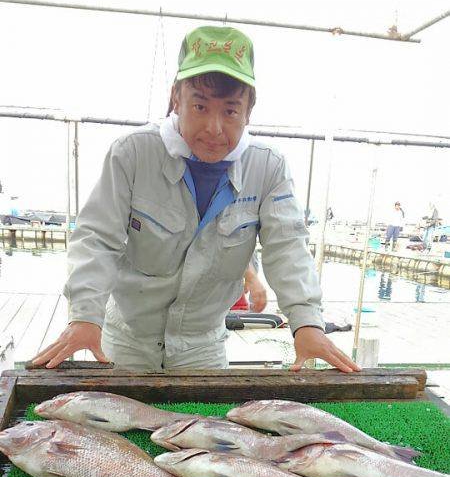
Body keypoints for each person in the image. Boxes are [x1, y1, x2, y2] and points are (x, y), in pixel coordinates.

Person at [32, 25, 359, 374]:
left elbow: (287, 247)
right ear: (177, 98)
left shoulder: (268, 168)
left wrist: (307, 323)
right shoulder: (132, 154)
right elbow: (97, 239)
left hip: (202, 347)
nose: (214, 128)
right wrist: (84, 315)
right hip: (127, 341)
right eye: (200, 106)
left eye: (230, 111)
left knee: (202, 426)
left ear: (249, 110)